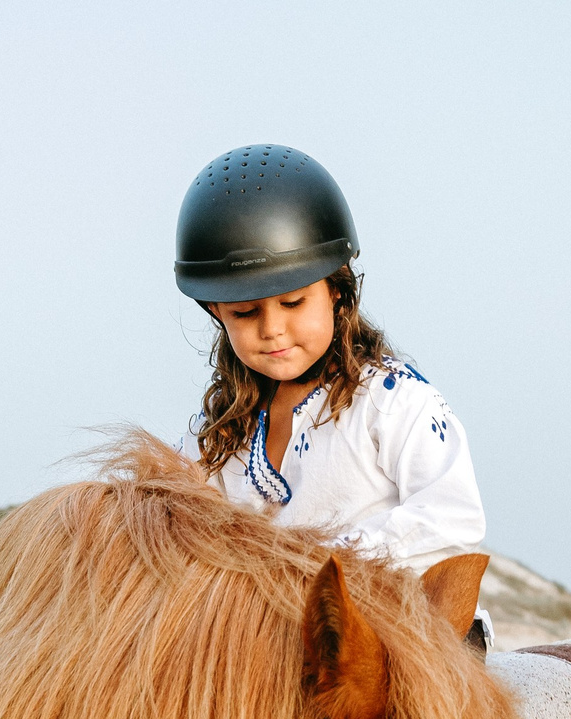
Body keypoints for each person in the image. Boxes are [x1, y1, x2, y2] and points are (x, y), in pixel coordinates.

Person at [174, 145, 490, 637]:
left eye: (293, 302)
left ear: (337, 290)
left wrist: (316, 566)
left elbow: (453, 518)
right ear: (216, 312)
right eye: (244, 313)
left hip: (393, 640)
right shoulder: (217, 439)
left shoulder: (394, 400)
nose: (272, 329)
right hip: (268, 649)